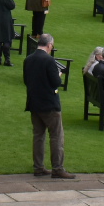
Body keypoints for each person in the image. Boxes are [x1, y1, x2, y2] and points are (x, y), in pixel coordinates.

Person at [25, 33, 73, 178]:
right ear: (49, 45)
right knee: (56, 136)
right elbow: (56, 83)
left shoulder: (28, 59)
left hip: (34, 102)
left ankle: (38, 167)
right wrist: (58, 75)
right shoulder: (49, 60)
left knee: (38, 136)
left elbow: (26, 80)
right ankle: (57, 168)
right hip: (49, 104)